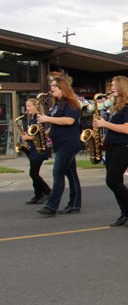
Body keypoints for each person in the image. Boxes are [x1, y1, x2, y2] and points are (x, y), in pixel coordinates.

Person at [94, 76, 128, 227]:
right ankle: (125, 213)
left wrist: (105, 124)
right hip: (113, 146)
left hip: (125, 147)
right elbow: (115, 128)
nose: (112, 88)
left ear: (123, 87)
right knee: (116, 181)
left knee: (112, 180)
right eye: (112, 85)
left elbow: (127, 128)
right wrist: (104, 139)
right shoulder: (117, 107)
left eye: (115, 85)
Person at [36, 76, 82, 216]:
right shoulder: (58, 104)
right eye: (51, 85)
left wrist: (47, 119)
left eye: (55, 85)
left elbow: (69, 120)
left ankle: (51, 207)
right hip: (60, 143)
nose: (52, 88)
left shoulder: (71, 103)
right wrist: (45, 134)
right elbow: (56, 123)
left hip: (68, 144)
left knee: (57, 173)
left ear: (63, 87)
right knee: (71, 175)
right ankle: (74, 205)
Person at [20, 98, 51, 204]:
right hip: (34, 148)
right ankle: (38, 195)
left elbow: (40, 136)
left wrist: (28, 138)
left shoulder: (38, 119)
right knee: (33, 173)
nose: (27, 108)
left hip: (39, 149)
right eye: (26, 106)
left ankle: (47, 192)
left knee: (33, 173)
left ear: (35, 107)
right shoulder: (33, 118)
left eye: (29, 106)